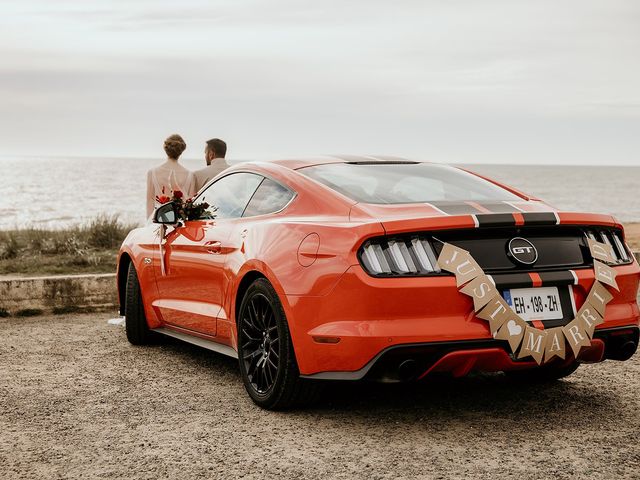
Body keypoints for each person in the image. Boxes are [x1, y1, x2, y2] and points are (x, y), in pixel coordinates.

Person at [146, 134, 197, 218]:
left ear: (165, 149)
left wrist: (149, 223)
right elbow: (190, 203)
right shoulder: (190, 175)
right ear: (181, 151)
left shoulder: (152, 173)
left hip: (159, 219)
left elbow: (150, 201)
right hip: (180, 220)